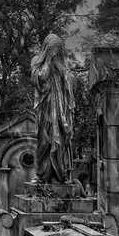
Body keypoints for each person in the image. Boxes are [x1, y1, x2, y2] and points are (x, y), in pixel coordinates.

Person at [30, 33, 76, 185]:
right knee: (44, 141)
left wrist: (62, 71)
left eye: (58, 49)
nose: (55, 52)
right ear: (47, 48)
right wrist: (49, 62)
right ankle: (40, 174)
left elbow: (71, 81)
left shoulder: (62, 64)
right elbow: (39, 79)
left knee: (60, 142)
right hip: (45, 109)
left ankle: (59, 175)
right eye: (53, 49)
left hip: (60, 111)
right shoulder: (36, 60)